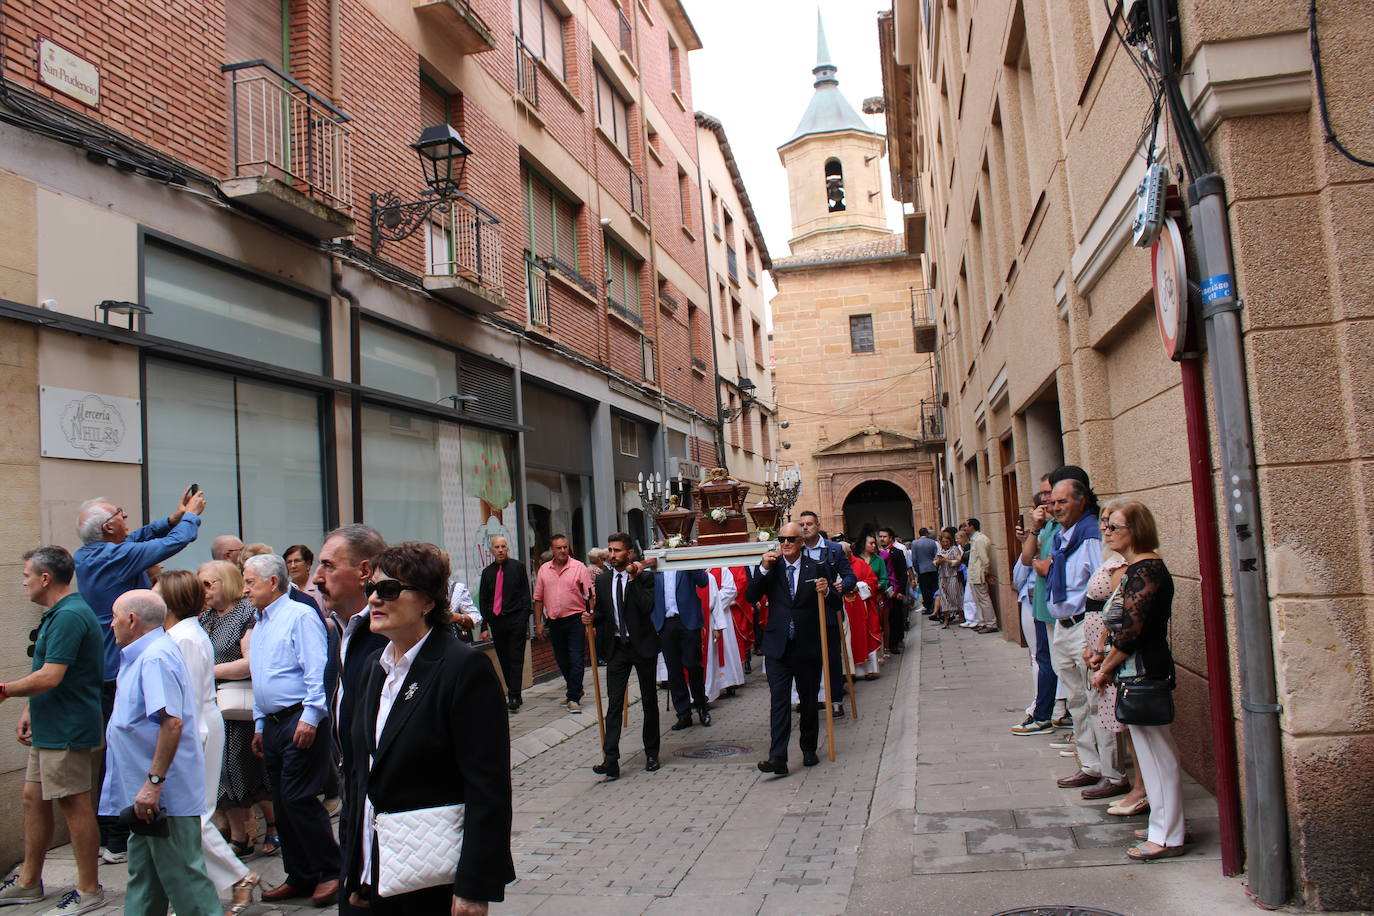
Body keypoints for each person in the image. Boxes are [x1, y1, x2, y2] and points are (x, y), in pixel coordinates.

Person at [339, 542, 515, 913]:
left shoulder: (462, 669)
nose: (374, 599)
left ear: (428, 601)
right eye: (371, 589)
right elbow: (360, 777)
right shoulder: (374, 667)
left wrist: (474, 885)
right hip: (371, 873)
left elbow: (487, 787)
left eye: (388, 590)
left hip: (430, 878)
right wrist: (353, 869)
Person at [74, 488, 205, 864]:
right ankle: (119, 833)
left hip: (112, 667)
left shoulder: (93, 552)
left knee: (119, 744)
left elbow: (141, 537)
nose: (126, 516)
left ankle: (119, 832)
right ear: (109, 526)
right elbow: (172, 544)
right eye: (120, 513)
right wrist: (191, 517)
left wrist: (172, 517)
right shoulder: (112, 557)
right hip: (119, 669)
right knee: (127, 744)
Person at [101, 590, 220, 916]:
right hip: (144, 797)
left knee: (184, 880)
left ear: (131, 620)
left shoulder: (155, 657)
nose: (111, 624)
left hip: (162, 797)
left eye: (114, 616)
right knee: (145, 878)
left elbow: (172, 723)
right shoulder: (146, 654)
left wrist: (153, 783)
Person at [0, 547, 105, 914]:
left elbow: (50, 676)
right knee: (33, 798)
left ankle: (89, 890)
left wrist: (5, 690)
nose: (23, 580)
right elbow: (45, 668)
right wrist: (29, 707)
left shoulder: (70, 616)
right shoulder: (56, 613)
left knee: (74, 804)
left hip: (67, 727)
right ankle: (29, 882)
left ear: (46, 579)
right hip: (49, 723)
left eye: (27, 574)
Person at [157, 570, 259, 914]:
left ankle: (236, 876)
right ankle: (209, 883)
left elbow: (181, 695)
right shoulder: (185, 633)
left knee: (194, 815)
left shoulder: (183, 637)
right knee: (193, 815)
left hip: (195, 726)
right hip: (200, 721)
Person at [1090, 500, 1186, 859]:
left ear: (1136, 531)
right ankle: (1165, 826)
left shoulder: (1146, 570)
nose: (1107, 531)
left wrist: (1105, 668)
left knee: (1158, 756)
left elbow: (1132, 633)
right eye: (1107, 525)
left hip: (1144, 669)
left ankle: (1166, 835)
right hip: (1138, 670)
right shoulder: (1137, 568)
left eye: (1115, 526)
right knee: (1152, 755)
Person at [244, 555, 339, 907]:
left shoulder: (299, 615)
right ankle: (300, 874)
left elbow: (317, 669)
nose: (245, 589)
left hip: (298, 717)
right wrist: (258, 723)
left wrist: (312, 717)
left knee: (299, 799)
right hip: (272, 722)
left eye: (250, 581)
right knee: (283, 804)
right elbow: (263, 676)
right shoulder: (262, 620)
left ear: (272, 582)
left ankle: (331, 870)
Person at [1043, 475, 1125, 800]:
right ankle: (1090, 765)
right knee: (1077, 700)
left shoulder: (1091, 537)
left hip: (1085, 628)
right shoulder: (1064, 536)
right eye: (1054, 501)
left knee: (1096, 700)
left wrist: (1098, 641)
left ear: (1081, 501)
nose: (1055, 507)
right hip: (1063, 626)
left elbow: (1104, 589)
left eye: (1062, 501)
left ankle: (1113, 773)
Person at [197, 560, 275, 859]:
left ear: (226, 582)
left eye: (209, 584)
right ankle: (241, 836)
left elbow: (250, 662)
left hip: (240, 705)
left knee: (248, 769)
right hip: (215, 705)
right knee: (222, 774)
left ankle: (272, 827)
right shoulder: (206, 618)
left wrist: (208, 670)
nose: (203, 591)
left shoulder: (246, 614)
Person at [748, 522, 830, 776]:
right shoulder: (771, 568)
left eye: (790, 540)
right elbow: (751, 596)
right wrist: (761, 568)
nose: (785, 544)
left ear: (801, 543)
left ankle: (808, 749)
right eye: (782, 539)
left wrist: (826, 592)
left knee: (807, 701)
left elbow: (835, 604)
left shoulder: (815, 567)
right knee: (779, 702)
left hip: (807, 644)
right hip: (778, 646)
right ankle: (778, 757)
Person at [314, 525, 390, 773]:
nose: (317, 577)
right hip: (352, 778)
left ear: (364, 571)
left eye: (329, 565)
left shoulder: (390, 635)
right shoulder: (339, 629)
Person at [584, 534, 661, 779]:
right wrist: (591, 619)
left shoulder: (645, 578)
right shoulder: (604, 580)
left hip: (642, 646)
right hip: (617, 648)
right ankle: (611, 760)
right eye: (610, 550)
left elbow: (648, 607)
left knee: (649, 700)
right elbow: (604, 613)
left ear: (628, 554)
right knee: (615, 702)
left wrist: (635, 580)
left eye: (617, 550)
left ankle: (651, 752)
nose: (612, 554)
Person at [1010, 489, 1060, 736]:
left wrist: (1041, 564)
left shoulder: (1069, 530)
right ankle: (1044, 711)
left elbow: (1041, 565)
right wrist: (1032, 532)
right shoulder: (1046, 528)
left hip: (1057, 608)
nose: (1050, 507)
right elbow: (1028, 559)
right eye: (1045, 503)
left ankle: (1048, 713)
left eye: (1056, 502)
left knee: (1047, 661)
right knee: (1042, 658)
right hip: (1039, 603)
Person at [796, 511, 855, 717]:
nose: (805, 527)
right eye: (802, 524)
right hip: (804, 612)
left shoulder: (833, 549)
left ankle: (836, 699)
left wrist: (842, 586)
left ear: (818, 526)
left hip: (829, 609)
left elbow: (850, 577)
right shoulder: (796, 549)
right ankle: (809, 699)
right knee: (806, 659)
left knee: (831, 657)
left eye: (809, 524)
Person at [533, 534, 594, 715]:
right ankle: (576, 687)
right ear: (552, 550)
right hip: (555, 621)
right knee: (562, 659)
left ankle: (573, 697)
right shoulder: (544, 570)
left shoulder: (579, 567)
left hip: (575, 619)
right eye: (558, 548)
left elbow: (590, 596)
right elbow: (538, 599)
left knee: (576, 658)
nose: (562, 551)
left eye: (565, 547)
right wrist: (538, 623)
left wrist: (590, 617)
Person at [476, 536, 532, 713]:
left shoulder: (518, 567)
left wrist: (523, 617)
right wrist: (486, 623)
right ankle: (514, 691)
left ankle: (514, 695)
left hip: (516, 619)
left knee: (516, 657)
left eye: (503, 546)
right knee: (504, 658)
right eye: (496, 547)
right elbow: (484, 599)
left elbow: (525, 594)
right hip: (498, 621)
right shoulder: (487, 573)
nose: (500, 550)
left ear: (508, 548)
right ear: (491, 551)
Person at [653, 566, 712, 729]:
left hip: (688, 622)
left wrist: (688, 560)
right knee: (674, 670)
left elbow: (703, 581)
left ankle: (701, 706)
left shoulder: (685, 563)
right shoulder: (657, 564)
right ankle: (683, 714)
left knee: (693, 666)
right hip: (665, 623)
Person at [841, 542, 882, 679]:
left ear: (850, 553)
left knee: (864, 635)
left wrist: (858, 586)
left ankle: (868, 670)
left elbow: (872, 581)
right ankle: (849, 672)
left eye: (846, 554)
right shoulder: (835, 565)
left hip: (861, 607)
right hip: (843, 608)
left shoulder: (860, 564)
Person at [877, 527, 910, 652]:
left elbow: (902, 573)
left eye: (884, 536)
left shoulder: (897, 552)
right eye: (880, 536)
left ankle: (895, 642)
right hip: (882, 589)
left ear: (891, 538)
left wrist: (901, 591)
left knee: (895, 616)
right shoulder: (877, 553)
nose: (882, 539)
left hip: (894, 589)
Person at [963, 518, 997, 632]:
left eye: (966, 526)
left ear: (972, 526)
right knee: (978, 601)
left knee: (984, 600)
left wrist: (985, 573)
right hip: (974, 575)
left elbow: (985, 560)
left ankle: (991, 623)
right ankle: (982, 622)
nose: (964, 528)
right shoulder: (975, 540)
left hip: (979, 575)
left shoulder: (979, 540)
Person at [933, 530, 963, 627]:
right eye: (943, 542)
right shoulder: (940, 551)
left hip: (953, 576)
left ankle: (961, 616)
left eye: (947, 541)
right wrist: (938, 561)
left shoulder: (954, 549)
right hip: (942, 576)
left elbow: (959, 560)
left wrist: (947, 560)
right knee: (944, 598)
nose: (945, 543)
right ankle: (946, 620)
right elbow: (934, 562)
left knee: (956, 596)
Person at [911, 528, 940, 617]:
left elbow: (914, 558)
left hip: (922, 569)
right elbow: (936, 555)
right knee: (934, 588)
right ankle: (934, 606)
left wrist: (917, 569)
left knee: (925, 589)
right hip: (932, 568)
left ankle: (928, 607)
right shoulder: (932, 542)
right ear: (927, 534)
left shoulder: (915, 543)